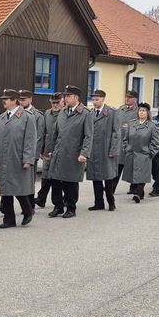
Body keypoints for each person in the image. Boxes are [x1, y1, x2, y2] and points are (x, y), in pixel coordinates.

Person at [0, 90, 37, 228]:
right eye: (3, 98)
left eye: (7, 99)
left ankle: (27, 211)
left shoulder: (27, 117)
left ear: (14, 100)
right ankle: (9, 219)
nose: (3, 101)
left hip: (18, 158)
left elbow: (30, 139)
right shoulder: (1, 118)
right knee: (6, 190)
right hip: (3, 158)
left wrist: (28, 159)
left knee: (19, 188)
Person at [45, 86, 94, 218]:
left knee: (70, 182)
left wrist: (84, 153)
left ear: (76, 97)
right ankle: (58, 206)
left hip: (73, 153)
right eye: (65, 96)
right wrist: (50, 150)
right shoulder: (62, 112)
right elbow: (55, 133)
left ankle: (71, 208)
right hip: (59, 152)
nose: (65, 98)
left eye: (68, 96)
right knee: (55, 180)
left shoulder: (85, 114)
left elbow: (88, 136)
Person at [85, 89, 121, 210]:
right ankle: (98, 203)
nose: (94, 102)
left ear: (103, 99)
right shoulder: (90, 113)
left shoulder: (112, 113)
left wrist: (113, 150)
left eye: (97, 99)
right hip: (93, 150)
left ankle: (111, 202)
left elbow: (116, 133)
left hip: (106, 150)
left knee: (108, 177)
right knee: (95, 177)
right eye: (93, 99)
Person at [121, 102, 158, 203]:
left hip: (144, 154)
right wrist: (126, 148)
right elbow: (125, 138)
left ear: (147, 113)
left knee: (142, 175)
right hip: (132, 153)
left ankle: (137, 193)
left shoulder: (152, 126)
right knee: (135, 175)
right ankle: (140, 193)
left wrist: (150, 153)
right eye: (140, 111)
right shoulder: (132, 124)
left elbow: (155, 141)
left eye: (144, 111)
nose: (141, 113)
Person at [35, 93, 64, 212]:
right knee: (46, 175)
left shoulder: (65, 114)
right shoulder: (47, 113)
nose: (55, 105)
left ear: (62, 102)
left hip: (60, 150)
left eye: (57, 102)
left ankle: (64, 200)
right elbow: (43, 132)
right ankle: (41, 198)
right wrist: (42, 150)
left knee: (58, 178)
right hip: (48, 149)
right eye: (53, 103)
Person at [115, 90, 141, 192]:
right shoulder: (120, 109)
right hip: (120, 141)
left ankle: (134, 187)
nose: (127, 99)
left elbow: (144, 125)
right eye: (126, 97)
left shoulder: (139, 111)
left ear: (135, 99)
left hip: (132, 142)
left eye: (130, 97)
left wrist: (131, 128)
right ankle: (111, 187)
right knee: (118, 166)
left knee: (132, 166)